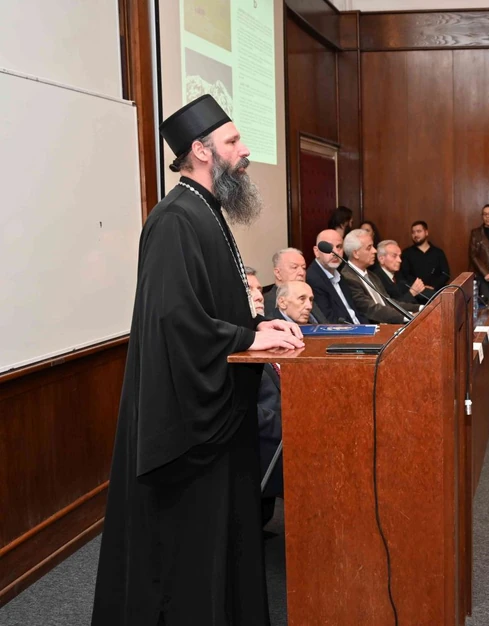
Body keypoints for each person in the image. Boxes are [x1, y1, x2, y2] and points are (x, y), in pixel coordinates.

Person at [91, 95, 305, 626]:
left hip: (222, 409)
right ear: (201, 151)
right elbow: (176, 320)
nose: (246, 150)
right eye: (233, 141)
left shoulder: (205, 210)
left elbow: (210, 307)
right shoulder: (175, 219)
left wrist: (256, 328)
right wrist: (245, 338)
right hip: (188, 423)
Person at [246, 268, 282, 526]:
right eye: (250, 290)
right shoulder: (239, 344)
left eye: (260, 289)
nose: (260, 295)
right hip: (265, 445)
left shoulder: (270, 332)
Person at [341, 229, 420, 324]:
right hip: (374, 329)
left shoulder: (372, 275)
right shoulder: (347, 277)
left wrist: (420, 308)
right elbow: (370, 309)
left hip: (389, 325)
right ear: (356, 254)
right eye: (369, 248)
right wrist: (409, 316)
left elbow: (388, 302)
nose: (374, 251)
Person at [400, 220, 451, 293]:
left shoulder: (438, 252)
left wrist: (434, 286)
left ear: (426, 232)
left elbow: (445, 274)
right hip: (415, 293)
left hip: (436, 292)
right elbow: (404, 275)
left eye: (419, 231)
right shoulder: (406, 253)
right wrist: (421, 287)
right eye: (413, 232)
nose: (415, 235)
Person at [263, 247, 307, 316]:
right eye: (294, 267)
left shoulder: (307, 296)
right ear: (278, 273)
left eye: (303, 268)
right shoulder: (270, 302)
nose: (302, 273)